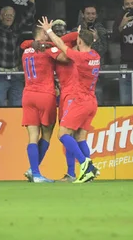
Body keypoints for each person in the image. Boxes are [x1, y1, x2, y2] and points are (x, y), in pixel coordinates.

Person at [38, 17, 100, 184]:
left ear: (79, 41)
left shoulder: (79, 57)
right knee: (80, 138)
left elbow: (61, 47)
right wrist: (79, 35)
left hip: (77, 99)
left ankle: (85, 165)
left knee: (63, 134)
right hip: (92, 101)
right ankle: (90, 170)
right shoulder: (95, 55)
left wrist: (49, 31)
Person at [0, 0, 36, 107]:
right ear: (1, 16)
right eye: (6, 15)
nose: (9, 17)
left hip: (15, 73)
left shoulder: (16, 29)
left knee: (18, 106)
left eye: (11, 15)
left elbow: (29, 15)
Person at [21, 26, 58, 183]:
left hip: (28, 95)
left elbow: (24, 44)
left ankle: (34, 172)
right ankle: (34, 171)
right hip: (45, 95)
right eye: (47, 32)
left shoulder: (26, 51)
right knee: (47, 134)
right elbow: (65, 53)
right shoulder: (47, 50)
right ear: (41, 34)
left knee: (32, 136)